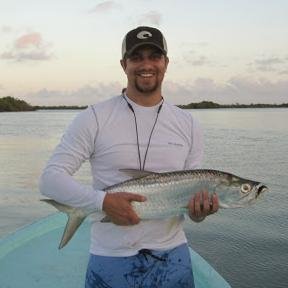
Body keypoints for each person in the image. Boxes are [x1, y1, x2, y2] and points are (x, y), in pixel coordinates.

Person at [39, 26, 219, 288]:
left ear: (166, 63)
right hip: (111, 257)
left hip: (174, 255)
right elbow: (50, 179)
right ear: (124, 65)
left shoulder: (188, 123)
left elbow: (191, 208)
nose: (146, 64)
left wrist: (200, 212)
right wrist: (103, 202)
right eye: (137, 57)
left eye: (154, 56)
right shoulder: (94, 117)